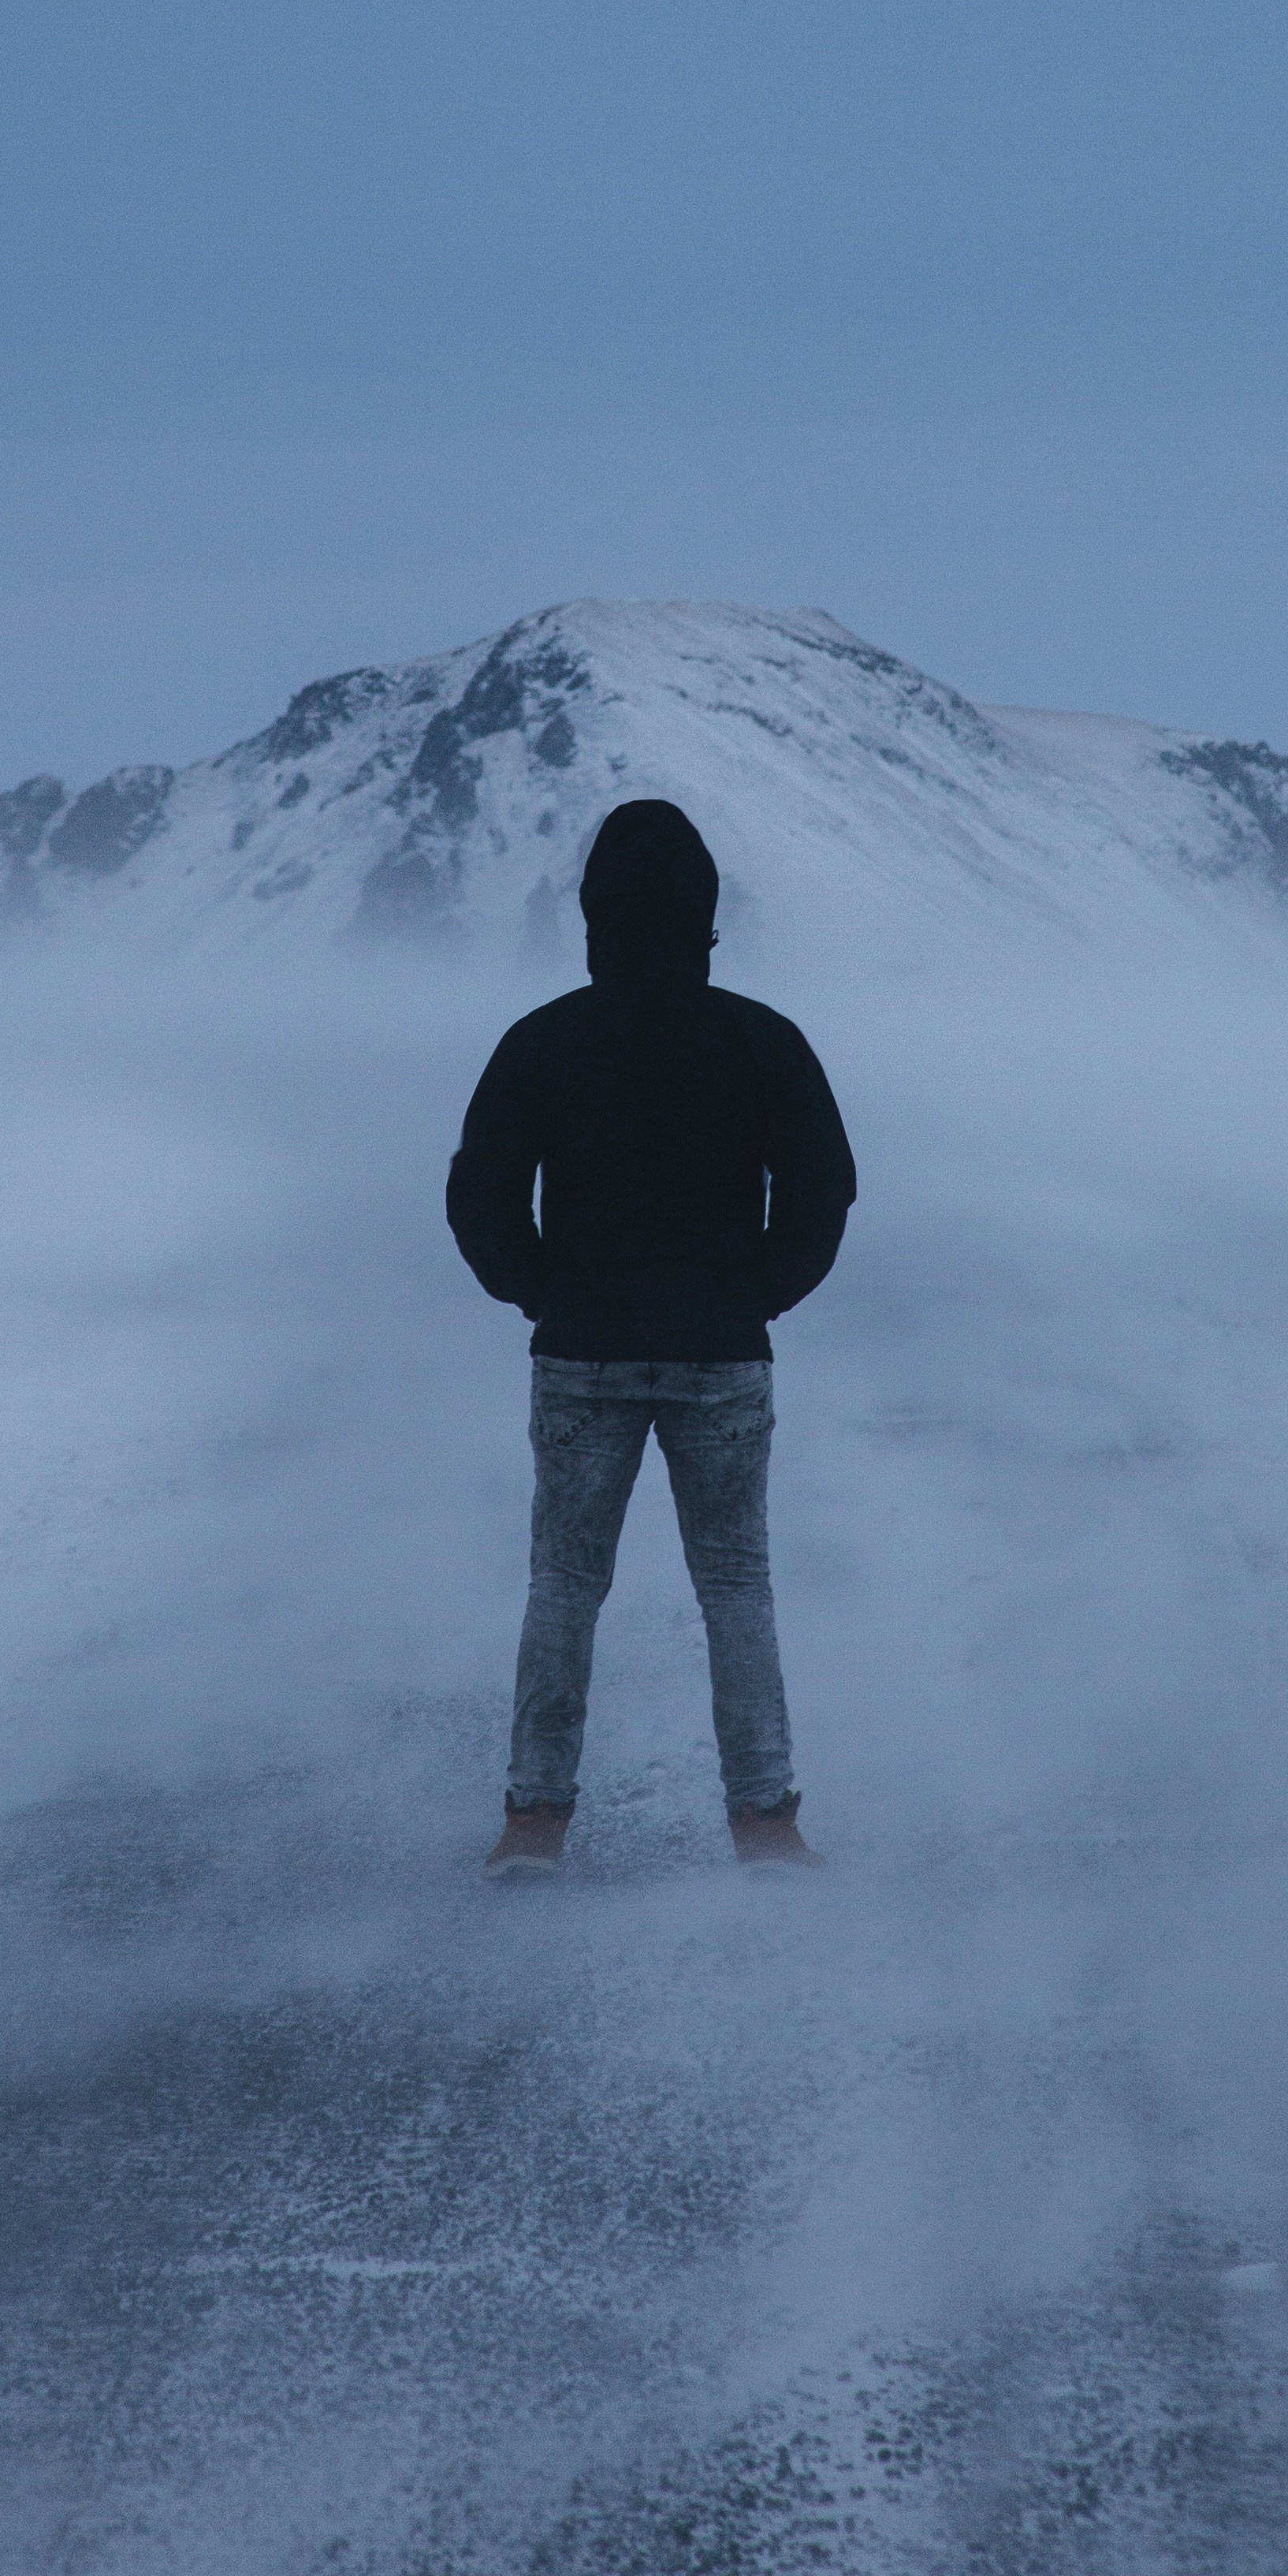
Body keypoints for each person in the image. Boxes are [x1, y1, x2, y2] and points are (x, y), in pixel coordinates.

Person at [446, 799, 858, 1875]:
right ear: (705, 917)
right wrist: (756, 1296)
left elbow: (479, 1196)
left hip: (581, 1347)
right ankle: (766, 1822)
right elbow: (824, 1193)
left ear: (593, 917)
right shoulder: (764, 1041)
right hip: (722, 1353)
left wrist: (540, 1291)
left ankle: (533, 1822)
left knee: (565, 1583)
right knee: (735, 1584)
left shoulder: (542, 1042)